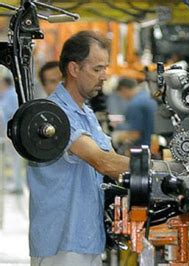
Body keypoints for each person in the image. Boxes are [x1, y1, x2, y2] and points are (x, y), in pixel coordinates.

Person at [27, 31, 130, 265]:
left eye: (105, 68)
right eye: (97, 69)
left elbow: (112, 159)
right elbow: (103, 161)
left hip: (88, 238)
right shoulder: (53, 115)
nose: (104, 76)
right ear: (74, 69)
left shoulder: (87, 113)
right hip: (62, 245)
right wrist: (165, 168)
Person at [113, 77, 157, 147]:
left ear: (124, 89)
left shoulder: (135, 105)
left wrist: (115, 137)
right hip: (155, 144)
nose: (122, 98)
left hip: (144, 147)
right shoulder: (148, 96)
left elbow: (135, 134)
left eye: (120, 94)